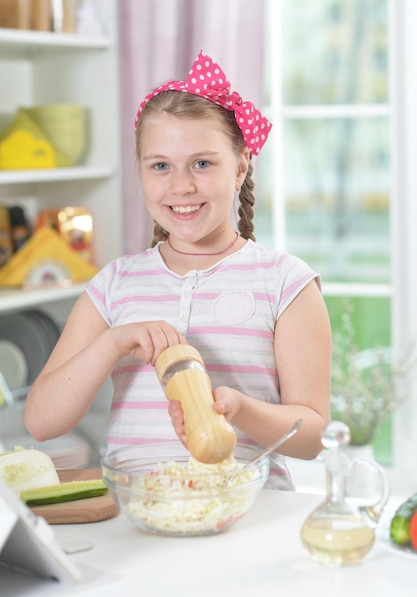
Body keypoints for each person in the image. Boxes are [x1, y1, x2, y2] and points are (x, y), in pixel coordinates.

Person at [25, 51, 332, 489]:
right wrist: (113, 342)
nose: (181, 185)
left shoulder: (286, 282)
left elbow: (314, 437)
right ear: (142, 171)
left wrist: (240, 409)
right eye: (161, 166)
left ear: (241, 166)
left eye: (203, 163)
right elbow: (40, 421)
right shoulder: (115, 284)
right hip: (139, 513)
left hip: (249, 510)